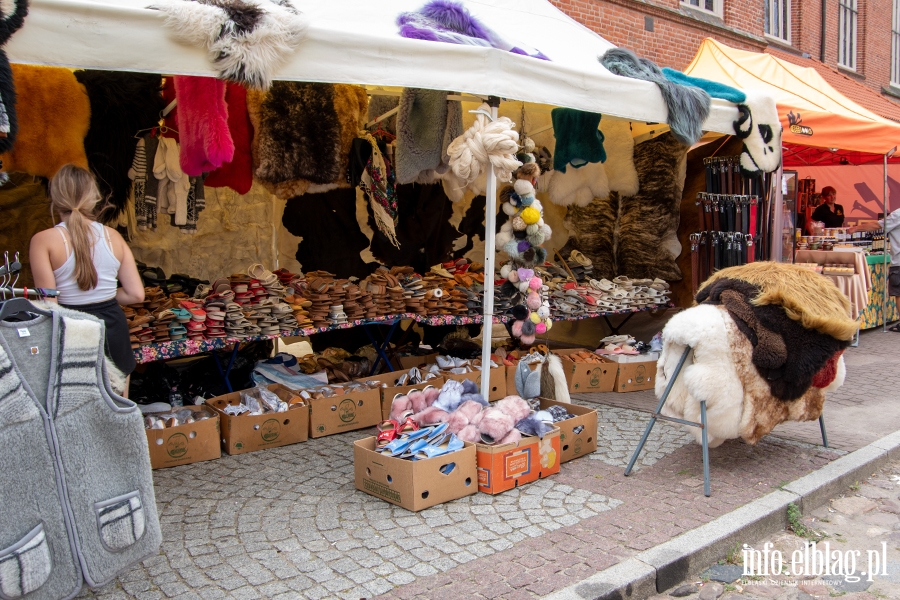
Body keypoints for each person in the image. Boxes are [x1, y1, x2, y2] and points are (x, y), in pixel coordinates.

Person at [29, 164, 145, 386]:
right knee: (118, 410)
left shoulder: (42, 240)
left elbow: (49, 304)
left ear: (54, 197)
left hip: (71, 328)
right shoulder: (114, 237)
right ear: (94, 197)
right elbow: (136, 294)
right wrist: (104, 295)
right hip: (112, 328)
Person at [850, 208, 900, 331]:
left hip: (899, 260)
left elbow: (877, 225)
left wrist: (856, 229)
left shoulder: (898, 214)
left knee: (899, 292)